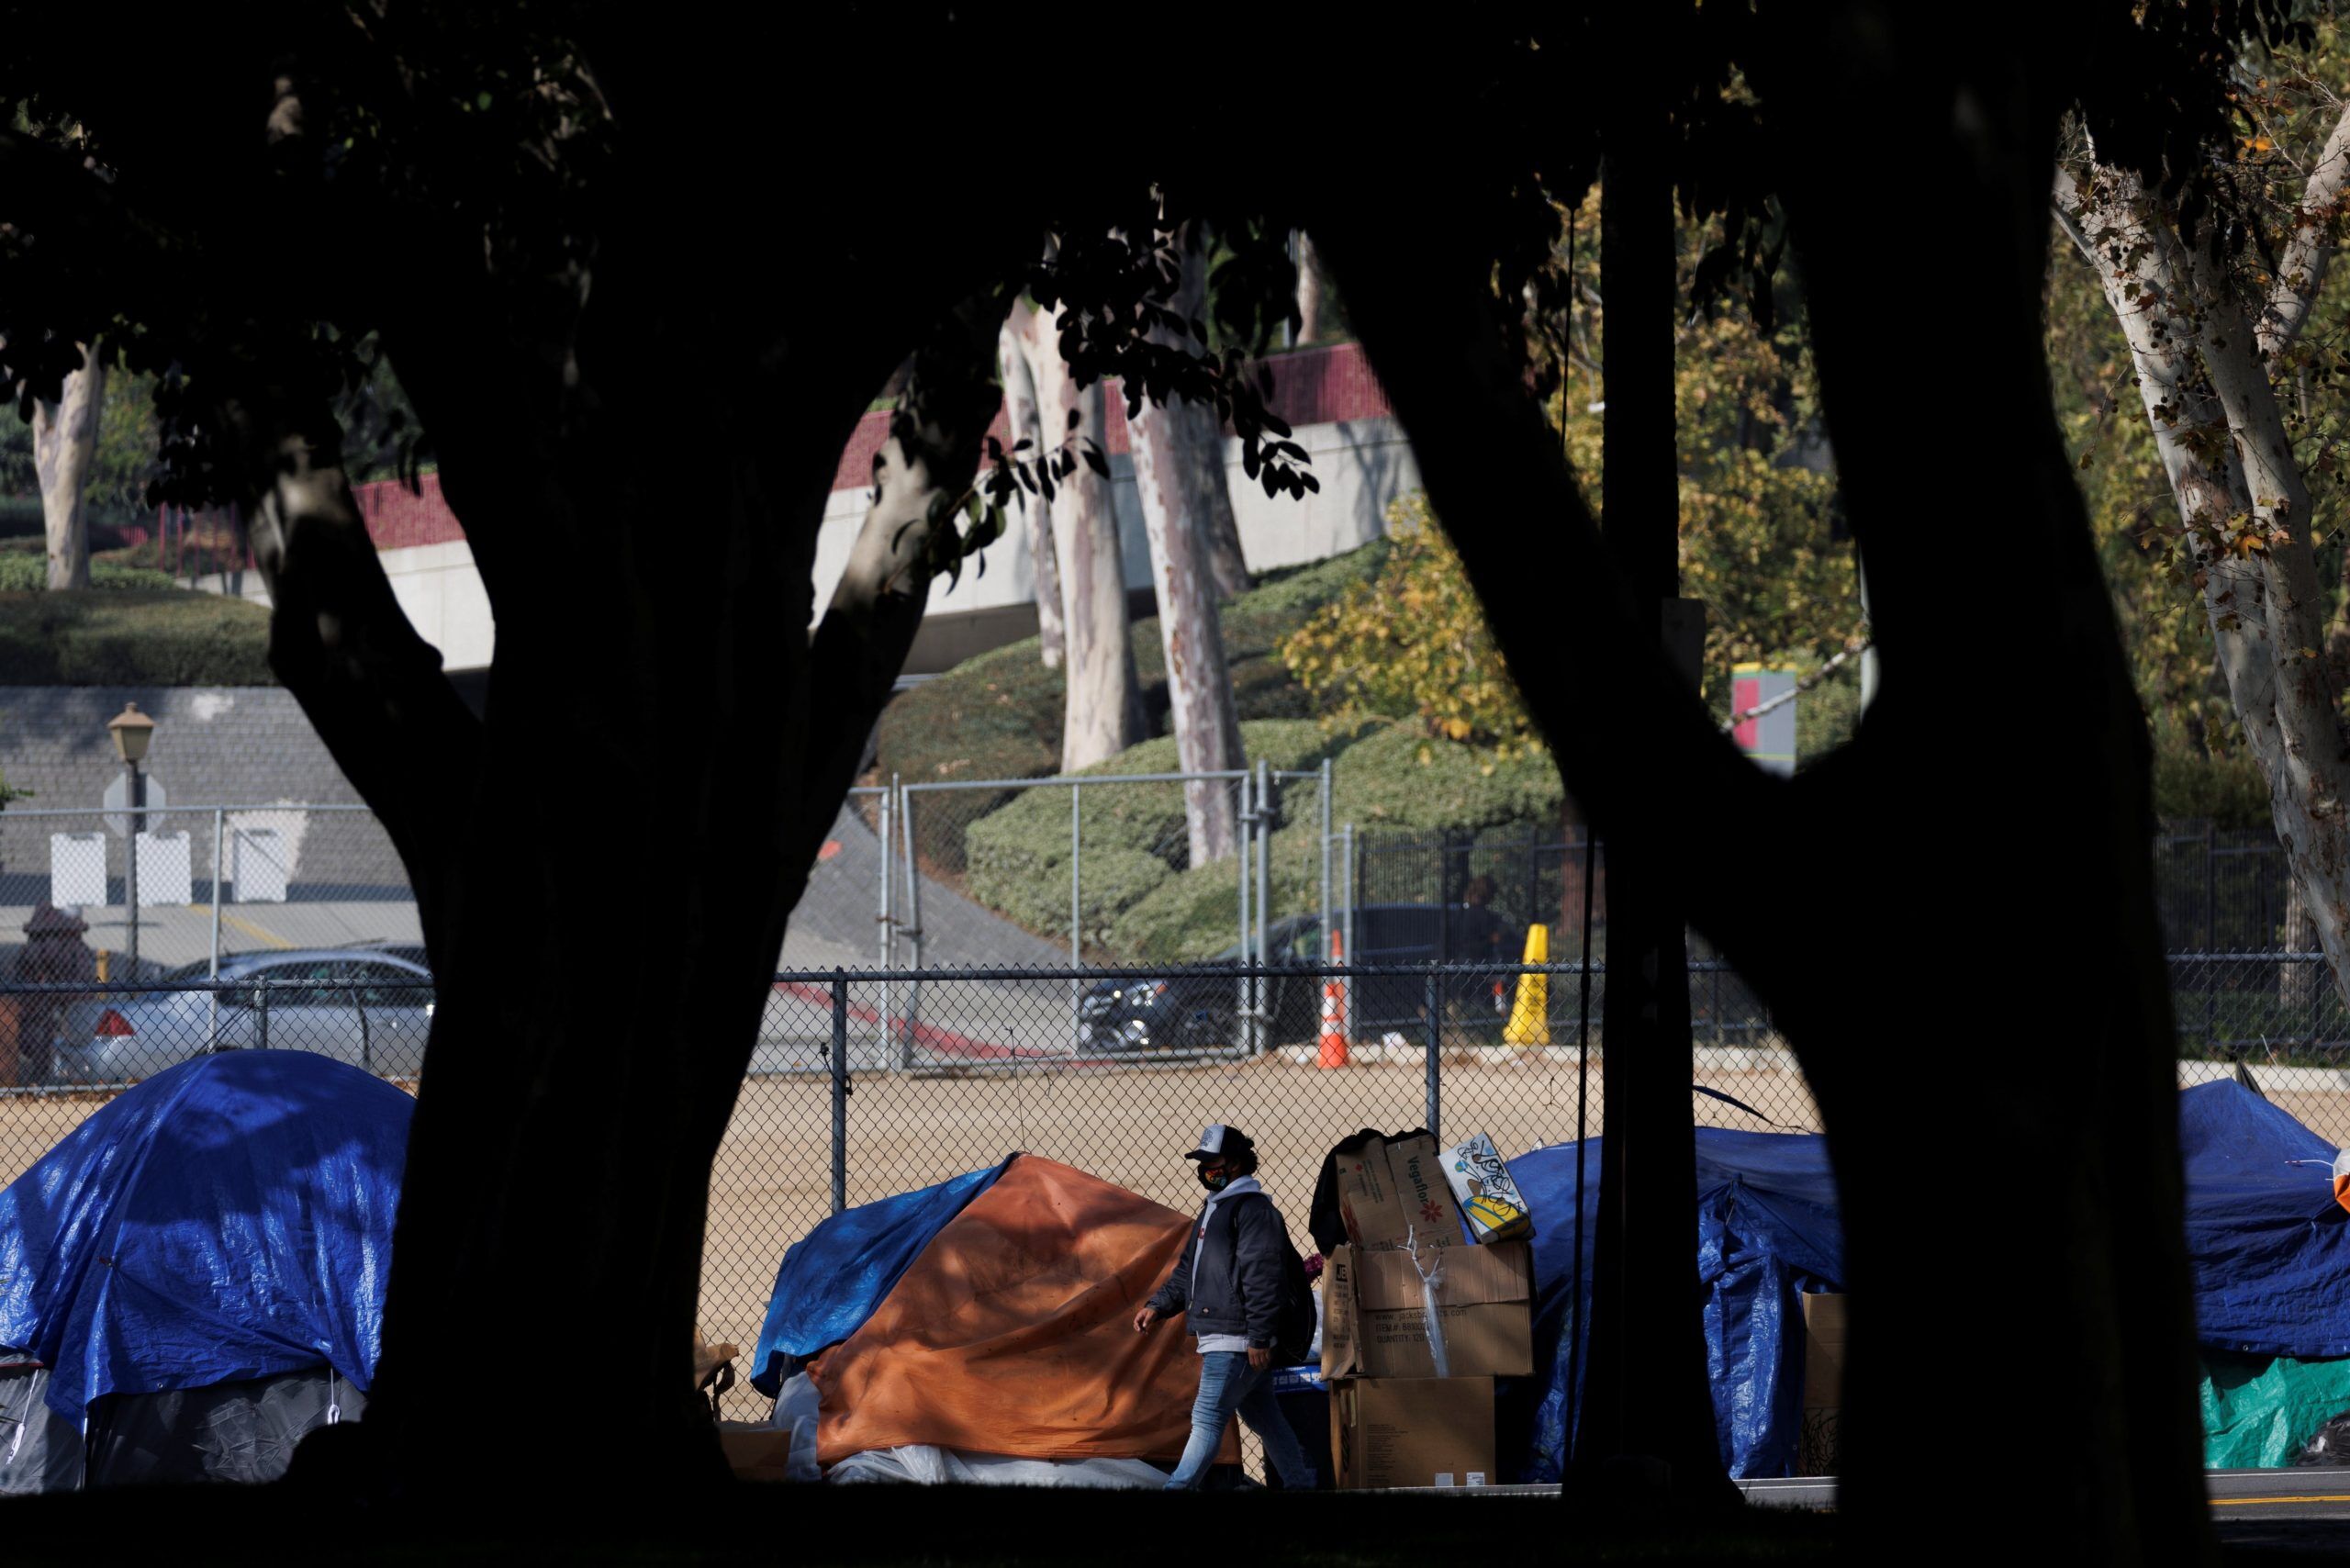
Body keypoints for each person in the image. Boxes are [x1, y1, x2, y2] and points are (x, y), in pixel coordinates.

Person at [1133, 1123, 1316, 1490]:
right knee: (1266, 1419)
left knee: (1206, 1418)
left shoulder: (1253, 1210)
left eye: (1211, 1161)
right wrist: (1159, 1305)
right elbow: (1190, 1268)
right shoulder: (1214, 1208)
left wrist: (1260, 1336)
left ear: (1234, 1164)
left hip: (1237, 1338)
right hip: (1227, 1335)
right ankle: (1301, 1487)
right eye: (1201, 1162)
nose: (1205, 1169)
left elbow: (1264, 1278)